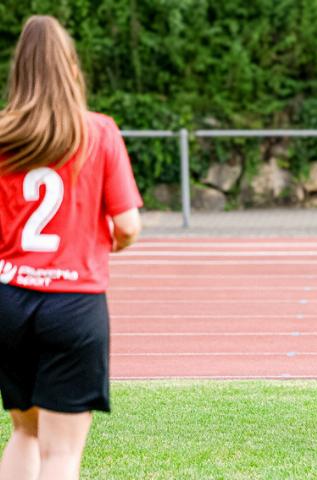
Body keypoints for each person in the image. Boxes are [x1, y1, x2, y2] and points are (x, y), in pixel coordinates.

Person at [0, 16, 142, 480]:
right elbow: (127, 226)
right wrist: (106, 242)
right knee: (61, 453)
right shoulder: (98, 132)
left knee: (24, 433)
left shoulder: (3, 134)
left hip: (10, 300)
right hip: (74, 303)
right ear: (70, 67)